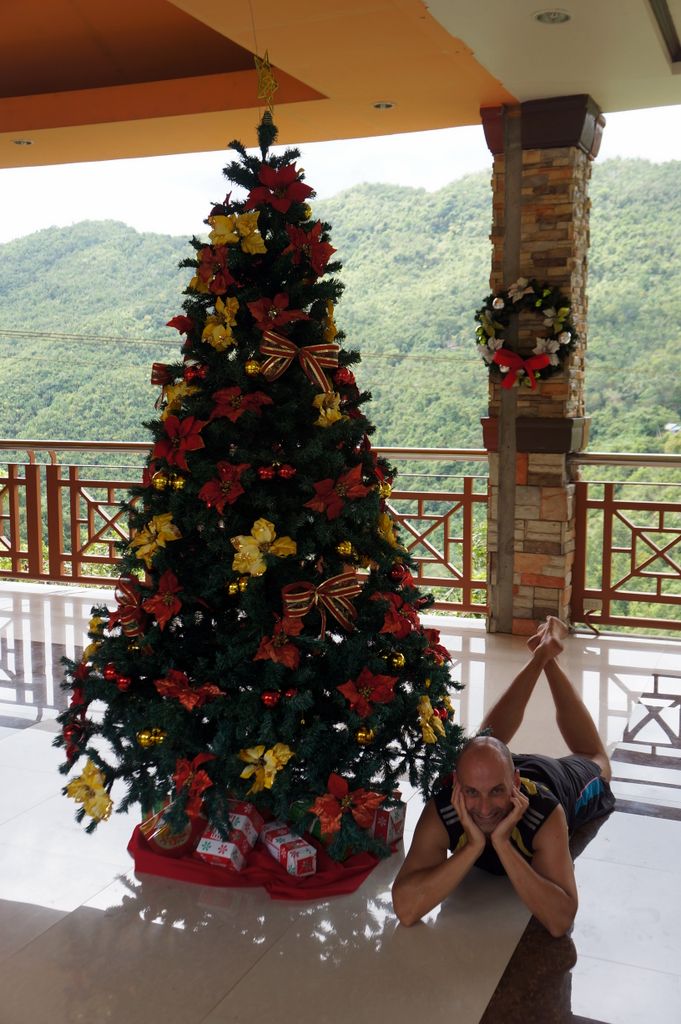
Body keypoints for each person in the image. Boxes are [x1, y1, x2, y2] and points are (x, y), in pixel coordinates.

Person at [392, 617, 615, 936]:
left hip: (555, 778)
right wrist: (473, 847)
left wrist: (502, 844)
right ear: (457, 786)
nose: (484, 809)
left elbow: (560, 921)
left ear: (515, 784)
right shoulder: (444, 808)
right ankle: (542, 654)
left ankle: (546, 659)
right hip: (494, 768)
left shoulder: (544, 811)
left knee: (598, 761)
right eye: (471, 793)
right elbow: (406, 909)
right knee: (484, 743)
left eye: (497, 792)